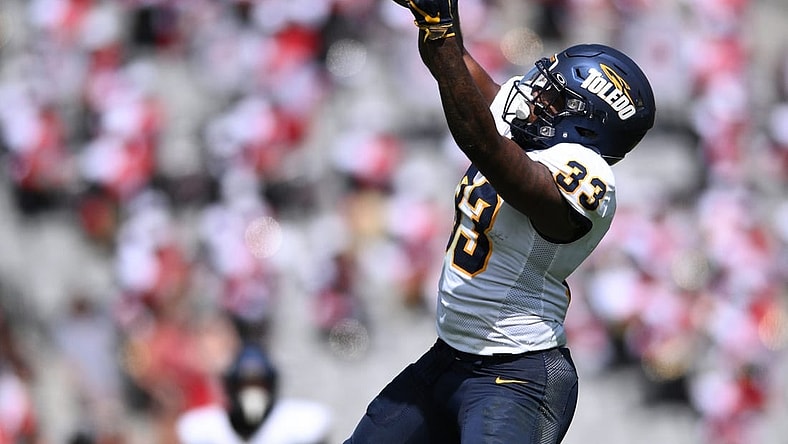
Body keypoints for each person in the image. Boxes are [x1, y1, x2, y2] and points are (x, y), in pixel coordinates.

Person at [344, 1, 656, 443]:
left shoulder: (589, 177)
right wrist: (437, 19)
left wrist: (443, 35)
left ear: (588, 125)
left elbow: (488, 150)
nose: (534, 96)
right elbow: (450, 67)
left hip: (517, 376)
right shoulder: (529, 127)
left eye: (555, 97)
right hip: (450, 358)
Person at [175, 342, 332, 444]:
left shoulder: (301, 422)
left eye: (259, 384)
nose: (252, 392)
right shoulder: (202, 427)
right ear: (231, 387)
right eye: (244, 385)